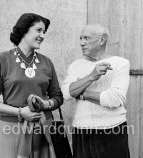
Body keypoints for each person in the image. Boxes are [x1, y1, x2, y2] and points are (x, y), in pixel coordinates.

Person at [0, 13, 63, 158]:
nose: (43, 35)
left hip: (43, 129)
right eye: (38, 30)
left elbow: (58, 97)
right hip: (12, 129)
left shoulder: (47, 62)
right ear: (24, 29)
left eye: (44, 32)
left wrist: (45, 104)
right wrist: (20, 112)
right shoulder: (2, 59)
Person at [61, 23, 130, 158]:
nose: (81, 43)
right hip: (82, 131)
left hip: (113, 130)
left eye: (86, 38)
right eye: (80, 38)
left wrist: (82, 94)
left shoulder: (120, 63)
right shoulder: (76, 66)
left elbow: (115, 99)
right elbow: (66, 93)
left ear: (102, 40)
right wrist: (91, 76)